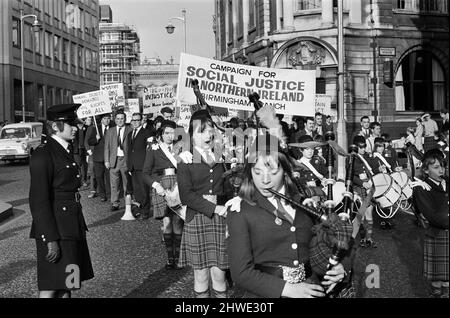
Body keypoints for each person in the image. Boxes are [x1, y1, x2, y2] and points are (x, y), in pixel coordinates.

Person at [226, 134, 348, 298]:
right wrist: (288, 289)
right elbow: (240, 273)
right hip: (266, 294)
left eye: (273, 171)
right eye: (257, 172)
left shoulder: (305, 203)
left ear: (285, 171)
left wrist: (340, 266)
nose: (265, 180)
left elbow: (333, 240)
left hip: (312, 288)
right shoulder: (240, 210)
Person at [29, 104, 94, 298]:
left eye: (75, 123)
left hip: (71, 226)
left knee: (68, 284)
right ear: (55, 126)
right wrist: (50, 239)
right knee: (50, 287)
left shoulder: (64, 149)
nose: (75, 127)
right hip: (56, 231)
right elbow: (38, 201)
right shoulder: (43, 153)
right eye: (70, 124)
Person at [177, 110, 229, 298]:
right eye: (201, 131)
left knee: (220, 272)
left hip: (220, 220)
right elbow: (186, 196)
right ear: (191, 135)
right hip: (198, 217)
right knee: (201, 275)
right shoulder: (185, 159)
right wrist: (215, 207)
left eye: (209, 131)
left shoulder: (221, 155)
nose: (207, 135)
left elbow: (229, 186)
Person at [143, 120, 184, 269]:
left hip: (179, 185)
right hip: (162, 186)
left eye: (173, 132)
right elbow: (145, 173)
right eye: (167, 133)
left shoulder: (181, 148)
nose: (170, 136)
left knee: (178, 223)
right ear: (161, 134)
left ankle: (179, 258)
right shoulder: (154, 149)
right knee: (167, 223)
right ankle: (169, 258)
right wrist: (156, 185)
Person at [412, 149, 449, 298]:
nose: (441, 170)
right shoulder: (421, 188)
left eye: (442, 166)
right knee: (438, 279)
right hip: (437, 234)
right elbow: (433, 217)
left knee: (447, 280)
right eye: (436, 167)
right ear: (426, 170)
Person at [126, 113, 154, 219]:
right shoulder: (130, 134)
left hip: (143, 166)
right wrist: (129, 166)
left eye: (137, 120)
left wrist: (148, 166)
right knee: (137, 190)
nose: (135, 122)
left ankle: (145, 211)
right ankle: (139, 209)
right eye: (133, 120)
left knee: (144, 190)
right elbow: (129, 151)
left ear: (142, 121)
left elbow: (149, 150)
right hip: (133, 167)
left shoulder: (147, 133)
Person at [352, 136, 377, 248]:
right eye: (360, 147)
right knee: (361, 216)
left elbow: (373, 169)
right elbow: (351, 175)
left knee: (369, 215)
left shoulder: (367, 156)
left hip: (369, 188)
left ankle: (369, 238)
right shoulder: (352, 158)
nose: (363, 149)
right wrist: (362, 183)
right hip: (359, 188)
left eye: (364, 146)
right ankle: (362, 238)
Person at [104, 112, 132, 211]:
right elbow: (106, 147)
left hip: (125, 159)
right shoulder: (110, 131)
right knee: (114, 184)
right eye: (118, 118)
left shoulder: (130, 129)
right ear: (115, 120)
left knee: (127, 183)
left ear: (125, 119)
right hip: (113, 160)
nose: (120, 120)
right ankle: (115, 203)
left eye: (122, 118)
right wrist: (106, 160)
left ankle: (128, 203)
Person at [73, 119, 88, 187]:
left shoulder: (86, 127)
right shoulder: (74, 128)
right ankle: (78, 180)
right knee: (78, 165)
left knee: (84, 166)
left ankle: (84, 180)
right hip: (76, 150)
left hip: (84, 149)